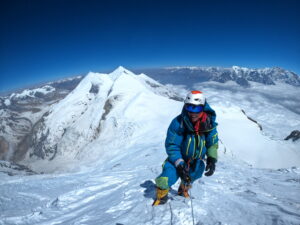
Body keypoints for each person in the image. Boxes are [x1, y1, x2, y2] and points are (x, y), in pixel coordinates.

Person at [153, 90, 218, 206]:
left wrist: (212, 159)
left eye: (196, 109)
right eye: (189, 108)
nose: (192, 113)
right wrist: (179, 163)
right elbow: (172, 145)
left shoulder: (209, 124)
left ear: (203, 108)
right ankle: (161, 196)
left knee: (192, 176)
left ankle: (183, 190)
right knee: (167, 177)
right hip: (177, 159)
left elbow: (212, 143)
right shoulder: (178, 123)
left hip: (196, 160)